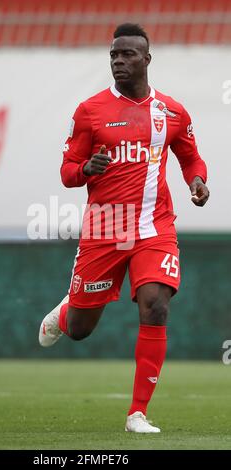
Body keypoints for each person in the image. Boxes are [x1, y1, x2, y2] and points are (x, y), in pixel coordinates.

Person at [38, 23, 210, 433]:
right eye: (114, 55)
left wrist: (197, 182)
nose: (119, 61)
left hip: (155, 225)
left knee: (156, 305)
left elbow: (190, 157)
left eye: (128, 54)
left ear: (146, 60)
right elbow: (66, 173)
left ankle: (137, 414)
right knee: (81, 330)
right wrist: (85, 169)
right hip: (106, 225)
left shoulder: (171, 111)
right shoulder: (89, 111)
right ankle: (66, 313)